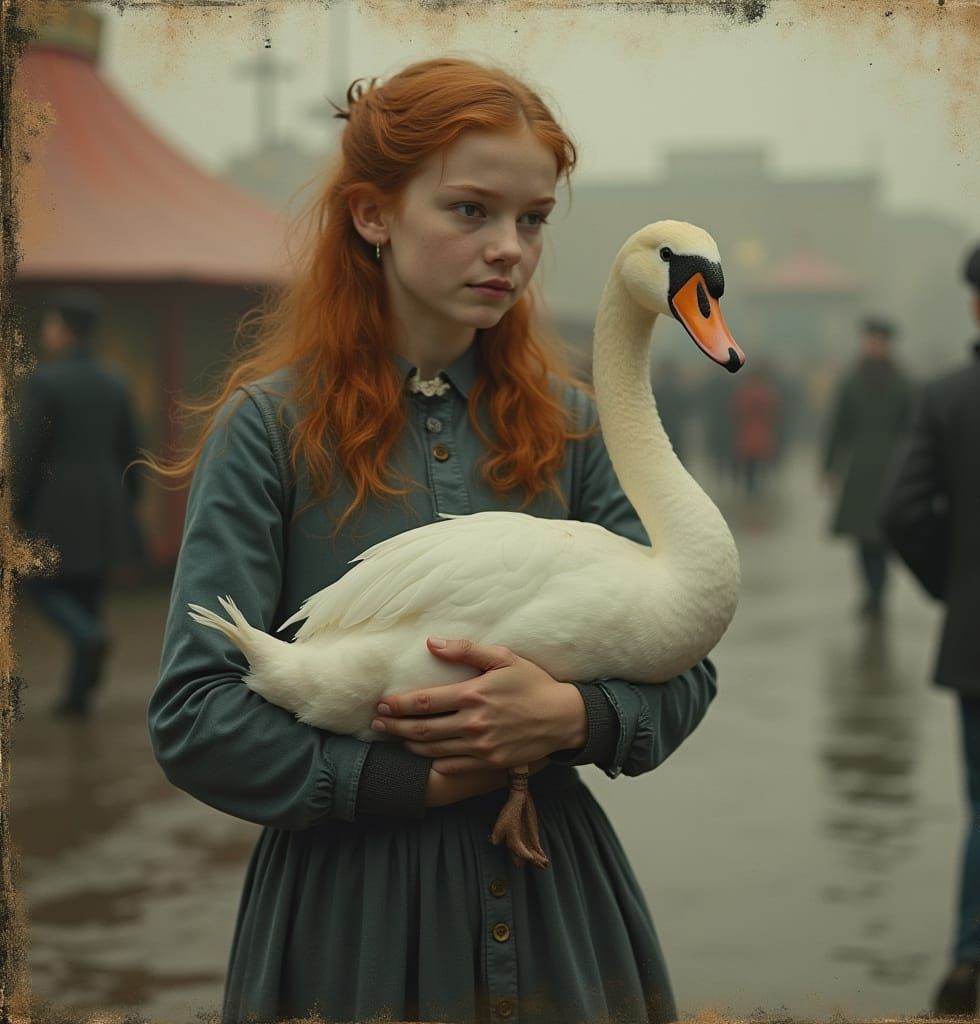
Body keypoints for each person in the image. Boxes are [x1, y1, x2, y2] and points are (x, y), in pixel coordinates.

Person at [146, 58, 718, 1024]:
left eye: (532, 219)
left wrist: (573, 717)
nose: (509, 248)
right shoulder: (269, 431)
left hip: (554, 910)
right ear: (372, 215)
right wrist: (398, 778)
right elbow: (196, 714)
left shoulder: (581, 430)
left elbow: (688, 659)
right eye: (470, 212)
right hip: (348, 923)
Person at [882, 236, 980, 1016]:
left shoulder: (947, 396)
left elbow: (902, 513)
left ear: (978, 304)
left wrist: (956, 590)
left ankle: (967, 965)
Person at [12, 290, 143, 717]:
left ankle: (87, 638)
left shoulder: (46, 381)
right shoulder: (115, 380)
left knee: (41, 587)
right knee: (88, 592)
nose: (47, 331)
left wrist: (17, 505)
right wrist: (132, 501)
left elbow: (31, 451)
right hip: (106, 502)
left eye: (51, 323)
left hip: (57, 502)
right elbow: (131, 449)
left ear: (65, 329)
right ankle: (76, 698)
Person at [821, 316, 914, 619]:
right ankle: (870, 594)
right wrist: (828, 467)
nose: (874, 346)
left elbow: (914, 430)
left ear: (887, 345)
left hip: (891, 469)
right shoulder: (851, 382)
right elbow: (838, 427)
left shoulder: (904, 383)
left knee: (883, 537)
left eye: (879, 341)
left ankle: (878, 595)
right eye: (870, 341)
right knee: (862, 537)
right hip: (859, 470)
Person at [729, 365, 782, 497]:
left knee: (748, 463)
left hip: (746, 432)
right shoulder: (767, 392)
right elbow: (775, 411)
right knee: (760, 461)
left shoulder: (744, 392)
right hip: (762, 431)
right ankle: (759, 486)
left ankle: (750, 487)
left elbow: (735, 411)